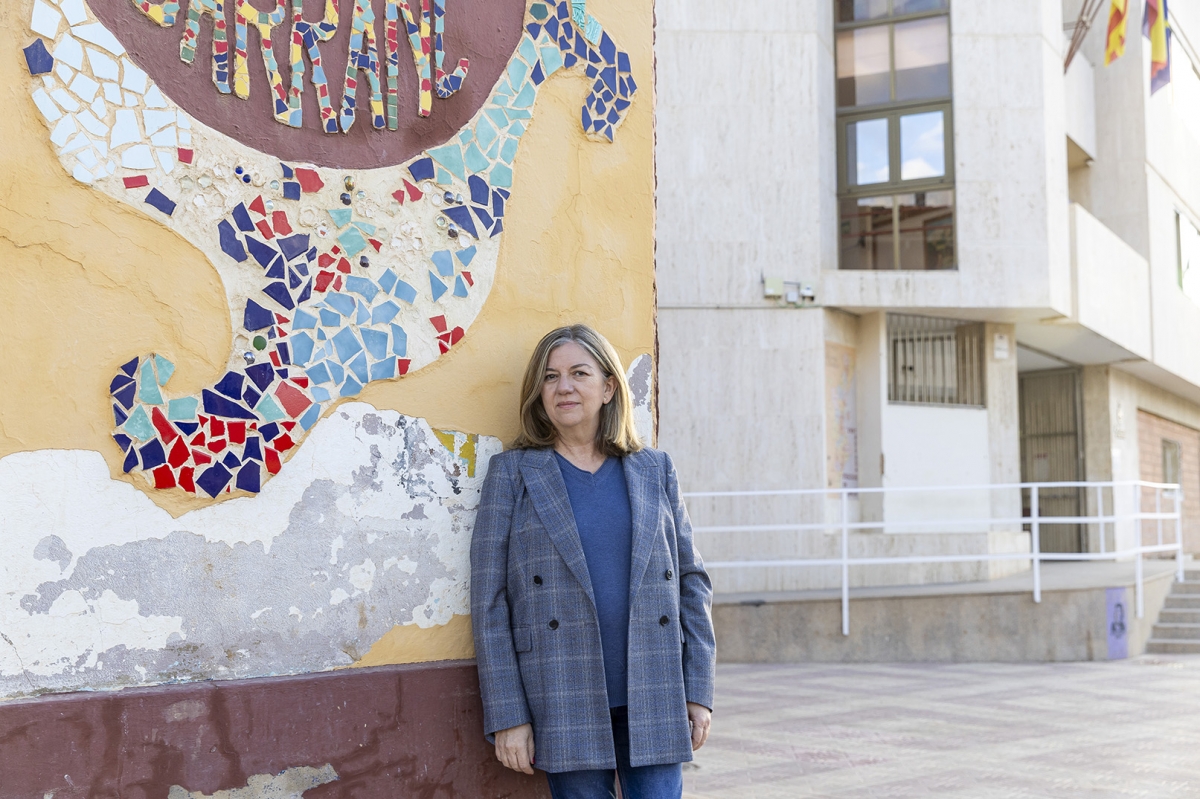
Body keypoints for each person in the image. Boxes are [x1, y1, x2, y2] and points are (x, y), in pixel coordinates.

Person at [470, 324, 716, 799]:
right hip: (561, 692)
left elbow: (692, 581)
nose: (563, 387)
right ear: (538, 392)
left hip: (656, 688)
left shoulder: (654, 470)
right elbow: (489, 603)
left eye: (579, 373)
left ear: (608, 387)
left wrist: (698, 690)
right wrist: (509, 716)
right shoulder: (513, 474)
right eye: (550, 376)